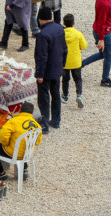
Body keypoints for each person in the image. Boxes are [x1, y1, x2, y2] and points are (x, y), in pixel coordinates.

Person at [35, 6, 68, 134]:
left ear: (40, 19)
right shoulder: (60, 28)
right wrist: (62, 65)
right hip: (57, 68)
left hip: (47, 71)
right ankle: (56, 120)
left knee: (44, 97)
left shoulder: (42, 34)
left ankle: (44, 125)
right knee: (55, 95)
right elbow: (65, 49)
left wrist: (40, 74)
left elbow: (42, 57)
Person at [0, 101, 42, 180]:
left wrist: (6, 144)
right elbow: (38, 142)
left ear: (20, 110)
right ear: (32, 113)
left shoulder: (13, 121)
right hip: (27, 154)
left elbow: (3, 137)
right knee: (23, 146)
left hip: (12, 153)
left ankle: (0, 173)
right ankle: (24, 169)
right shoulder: (37, 125)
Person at [82, 0, 111, 88]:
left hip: (100, 31)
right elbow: (102, 22)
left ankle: (80, 64)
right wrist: (101, 39)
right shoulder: (105, 4)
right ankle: (105, 79)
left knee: (102, 54)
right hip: (104, 33)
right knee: (109, 55)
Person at [62, 13, 87, 108]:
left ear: (63, 23)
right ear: (74, 23)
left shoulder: (61, 34)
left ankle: (65, 96)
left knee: (65, 79)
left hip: (64, 62)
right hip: (76, 62)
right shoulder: (78, 34)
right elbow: (84, 46)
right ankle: (79, 95)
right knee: (78, 79)